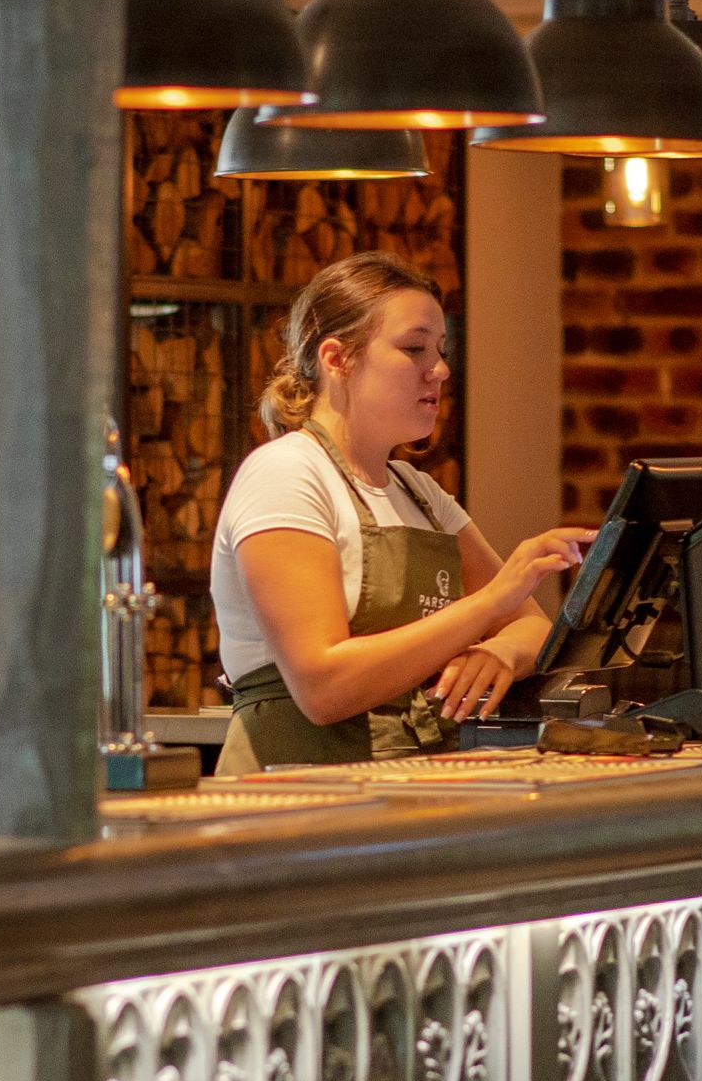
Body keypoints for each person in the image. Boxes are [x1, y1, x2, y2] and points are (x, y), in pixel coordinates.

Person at [208, 252, 598, 774]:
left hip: (408, 787)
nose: (440, 369)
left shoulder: (419, 492)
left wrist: (498, 654)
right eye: (414, 348)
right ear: (336, 358)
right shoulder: (286, 474)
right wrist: (488, 606)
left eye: (440, 350)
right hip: (297, 798)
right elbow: (324, 688)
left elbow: (532, 631)